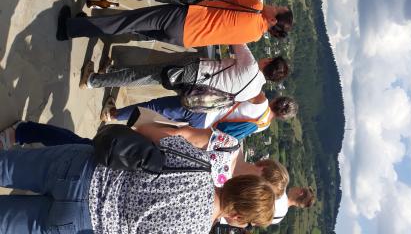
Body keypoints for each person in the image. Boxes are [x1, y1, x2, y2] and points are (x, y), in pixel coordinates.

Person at [0, 133, 275, 232]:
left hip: (86, 169)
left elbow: (149, 133)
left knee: (7, 167)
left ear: (239, 181)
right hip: (83, 222)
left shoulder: (199, 164)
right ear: (238, 217)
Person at [0, 120, 289, 197]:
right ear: (262, 166)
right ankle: (24, 131)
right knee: (81, 148)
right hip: (143, 157)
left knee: (79, 155)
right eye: (262, 182)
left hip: (140, 178)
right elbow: (185, 135)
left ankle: (25, 145)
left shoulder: (228, 184)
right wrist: (146, 134)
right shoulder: (230, 148)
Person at [57, 0, 293, 47]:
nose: (273, 4)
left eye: (277, 8)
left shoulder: (256, 8)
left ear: (273, 19)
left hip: (185, 18)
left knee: (129, 21)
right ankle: (84, 26)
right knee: (134, 27)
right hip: (185, 39)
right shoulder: (254, 36)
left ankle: (71, 29)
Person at [78, 45, 289, 101]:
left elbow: (236, 37)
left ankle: (93, 81)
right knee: (149, 75)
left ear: (269, 61)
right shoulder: (253, 92)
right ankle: (110, 71)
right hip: (194, 91)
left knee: (145, 75)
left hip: (194, 71)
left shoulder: (250, 65)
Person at [102, 93, 298, 140]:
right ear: (282, 117)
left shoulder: (261, 100)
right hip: (204, 128)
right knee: (161, 126)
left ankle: (113, 114)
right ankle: (120, 133)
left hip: (203, 109)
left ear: (277, 99)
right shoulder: (263, 125)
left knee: (156, 107)